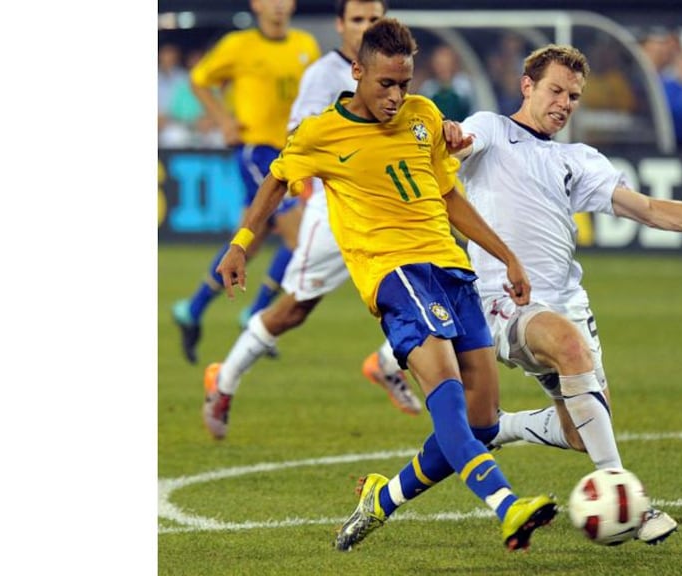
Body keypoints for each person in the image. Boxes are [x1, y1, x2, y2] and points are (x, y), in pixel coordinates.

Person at [392, 44, 682, 545]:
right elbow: (456, 144)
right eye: (555, 90)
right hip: (503, 301)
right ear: (527, 85)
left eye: (574, 96)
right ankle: (628, 497)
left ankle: (502, 427)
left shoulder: (577, 159)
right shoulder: (492, 130)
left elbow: (647, 209)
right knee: (569, 348)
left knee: (584, 431)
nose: (564, 103)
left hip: (567, 302)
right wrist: (450, 135)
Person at [214, 18, 558, 551]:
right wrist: (240, 243)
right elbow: (279, 177)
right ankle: (508, 506)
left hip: (452, 271)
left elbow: (448, 197)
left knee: (483, 421)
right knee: (445, 396)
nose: (397, 96)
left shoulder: (424, 117)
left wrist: (506, 256)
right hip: (396, 275)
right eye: (385, 84)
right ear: (357, 72)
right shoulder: (321, 132)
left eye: (405, 83)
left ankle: (382, 498)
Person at [200, 0, 423, 442]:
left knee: (433, 283)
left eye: (374, 19)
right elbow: (299, 139)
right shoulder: (324, 74)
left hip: (386, 210)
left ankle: (385, 361)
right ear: (340, 25)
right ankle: (224, 380)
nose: (366, 27)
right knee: (295, 309)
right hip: (336, 209)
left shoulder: (397, 73)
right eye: (357, 20)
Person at [170, 0, 320, 364]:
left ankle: (192, 308)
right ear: (256, 5)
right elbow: (199, 79)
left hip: (292, 154)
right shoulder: (238, 46)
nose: (279, 7)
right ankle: (255, 313)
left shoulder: (306, 46)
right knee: (299, 237)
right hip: (256, 151)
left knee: (248, 241)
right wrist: (223, 119)